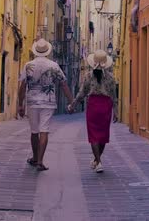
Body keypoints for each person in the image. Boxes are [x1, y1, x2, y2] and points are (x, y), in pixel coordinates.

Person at [17, 38, 74, 171]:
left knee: (34, 131)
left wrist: (20, 104)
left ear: (35, 51)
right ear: (47, 52)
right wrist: (72, 101)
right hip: (48, 102)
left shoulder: (28, 65)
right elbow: (63, 84)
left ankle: (35, 157)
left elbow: (22, 86)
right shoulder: (54, 66)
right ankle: (40, 162)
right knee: (44, 130)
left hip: (32, 102)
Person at [68, 50, 117, 173]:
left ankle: (98, 161)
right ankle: (97, 160)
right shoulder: (111, 77)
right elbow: (113, 95)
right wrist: (116, 111)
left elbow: (82, 93)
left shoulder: (88, 76)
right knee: (103, 135)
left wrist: (73, 105)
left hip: (93, 106)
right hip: (106, 106)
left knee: (94, 134)